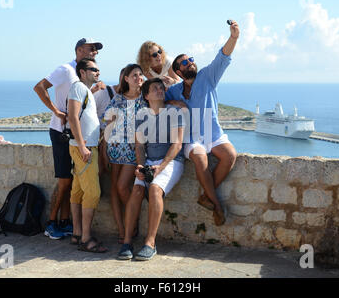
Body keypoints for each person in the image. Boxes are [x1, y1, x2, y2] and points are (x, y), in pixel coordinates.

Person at [165, 20, 240, 226]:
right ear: (178, 72)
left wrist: (233, 37)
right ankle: (217, 206)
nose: (190, 63)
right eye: (184, 62)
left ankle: (207, 196)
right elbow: (157, 103)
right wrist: (173, 101)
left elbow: (223, 57)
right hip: (191, 138)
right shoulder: (173, 91)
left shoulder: (207, 76)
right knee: (200, 159)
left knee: (230, 155)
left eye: (191, 59)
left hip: (213, 133)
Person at [33, 37, 103, 239]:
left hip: (75, 136)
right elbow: (39, 87)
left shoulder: (85, 74)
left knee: (73, 182)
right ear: (79, 49)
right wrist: (56, 111)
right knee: (64, 180)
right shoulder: (65, 69)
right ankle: (51, 223)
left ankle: (65, 223)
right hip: (61, 133)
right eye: (92, 49)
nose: (95, 52)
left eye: (96, 50)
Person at [117, 78, 185, 261]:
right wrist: (140, 166)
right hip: (148, 161)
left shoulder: (175, 112)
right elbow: (139, 146)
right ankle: (127, 241)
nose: (160, 90)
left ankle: (150, 243)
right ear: (146, 96)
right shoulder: (142, 116)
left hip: (171, 161)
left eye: (161, 87)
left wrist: (160, 167)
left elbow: (177, 145)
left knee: (155, 189)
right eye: (155, 88)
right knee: (137, 190)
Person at [101, 64, 147, 244]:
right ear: (126, 79)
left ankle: (132, 223)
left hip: (133, 151)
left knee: (121, 187)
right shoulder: (118, 99)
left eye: (140, 74)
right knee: (114, 190)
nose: (138, 77)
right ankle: (122, 229)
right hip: (114, 148)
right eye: (134, 75)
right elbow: (108, 125)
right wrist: (104, 149)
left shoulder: (146, 98)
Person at [66, 58, 108, 253]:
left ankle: (76, 233)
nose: (97, 72)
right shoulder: (77, 87)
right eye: (93, 69)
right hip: (84, 148)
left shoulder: (84, 91)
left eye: (98, 70)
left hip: (83, 146)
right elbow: (72, 116)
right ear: (82, 72)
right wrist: (83, 146)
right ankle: (86, 238)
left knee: (78, 191)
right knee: (93, 193)